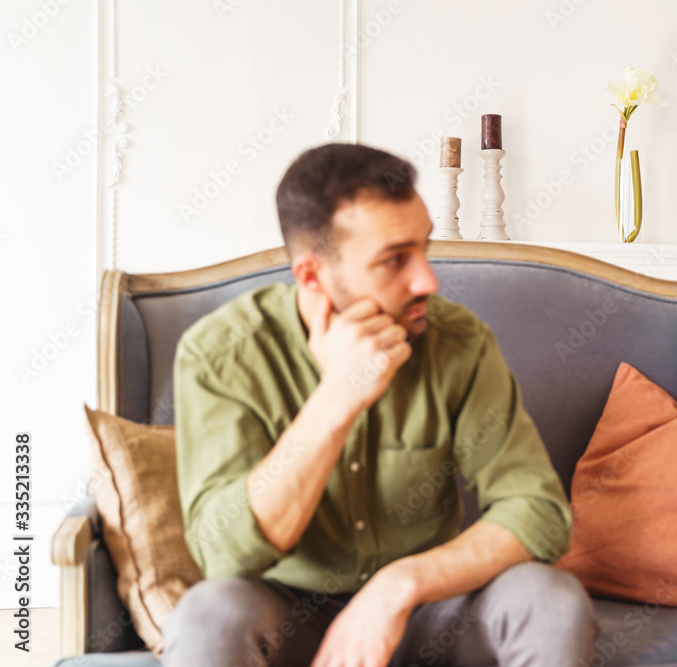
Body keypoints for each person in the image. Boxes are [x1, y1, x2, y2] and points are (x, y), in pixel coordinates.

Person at [164, 143, 597, 667]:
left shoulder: (458, 343)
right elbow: (224, 551)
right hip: (284, 618)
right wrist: (337, 398)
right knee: (206, 614)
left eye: (423, 248)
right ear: (311, 276)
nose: (427, 281)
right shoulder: (220, 356)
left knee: (548, 600)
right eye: (394, 260)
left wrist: (398, 586)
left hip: (429, 611)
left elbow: (538, 512)